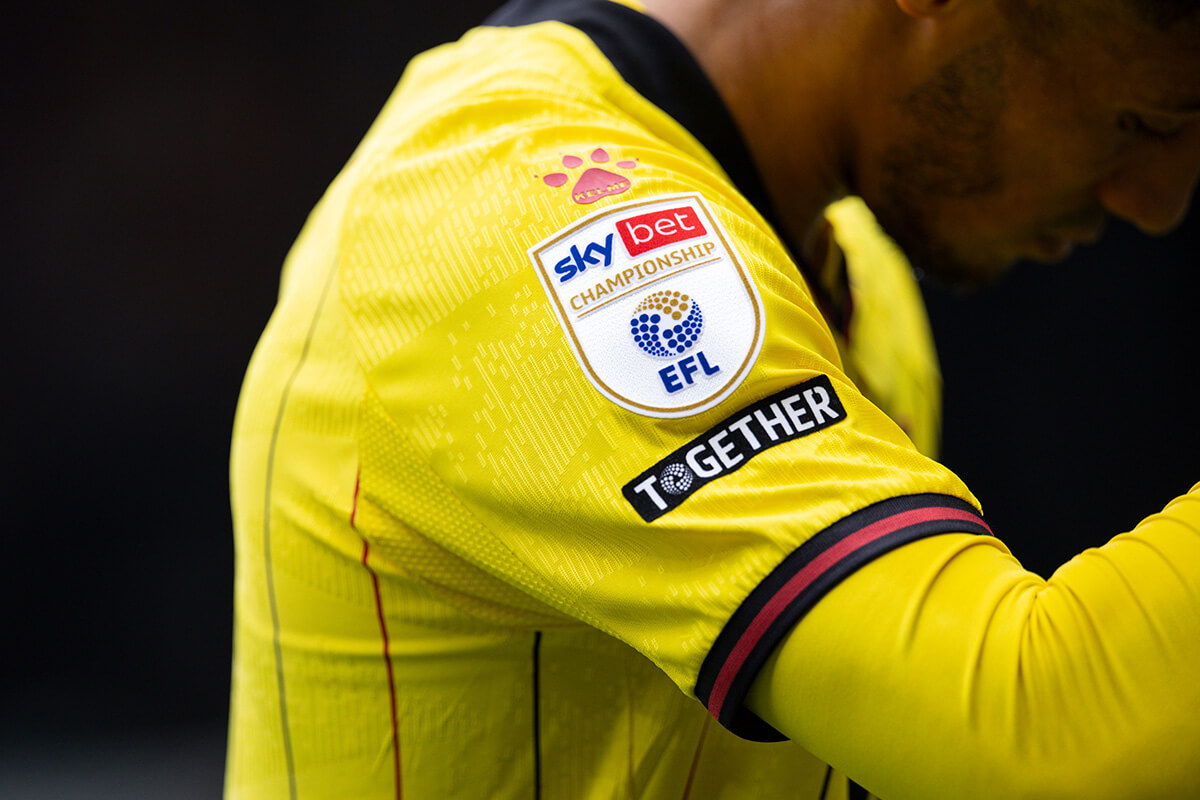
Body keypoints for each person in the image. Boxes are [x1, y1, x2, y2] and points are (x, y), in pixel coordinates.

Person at [224, 0, 1200, 797]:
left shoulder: (850, 274)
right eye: (1149, 120)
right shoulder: (514, 207)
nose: (1159, 199)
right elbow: (1032, 732)